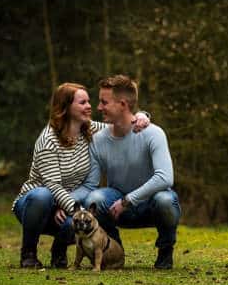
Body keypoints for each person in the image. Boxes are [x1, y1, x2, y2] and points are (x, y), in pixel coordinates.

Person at [12, 82, 149, 269]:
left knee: (75, 225)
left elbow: (121, 123)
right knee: (42, 195)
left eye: (89, 101)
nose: (90, 106)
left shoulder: (90, 129)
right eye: (83, 102)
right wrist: (78, 211)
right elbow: (53, 186)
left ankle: (58, 251)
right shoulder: (48, 140)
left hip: (69, 204)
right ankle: (28, 254)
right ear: (66, 108)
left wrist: (142, 116)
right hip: (36, 206)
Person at [84, 74, 181, 271]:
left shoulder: (153, 133)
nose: (99, 107)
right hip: (118, 208)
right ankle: (114, 251)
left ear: (122, 104)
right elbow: (90, 185)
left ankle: (165, 250)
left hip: (150, 206)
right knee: (94, 198)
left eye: (104, 102)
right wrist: (64, 202)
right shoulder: (97, 139)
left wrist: (128, 200)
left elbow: (165, 177)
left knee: (165, 200)